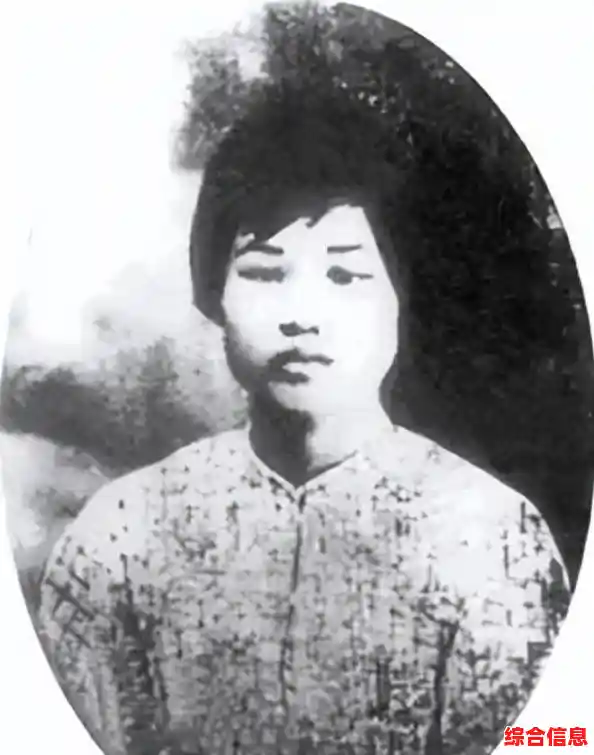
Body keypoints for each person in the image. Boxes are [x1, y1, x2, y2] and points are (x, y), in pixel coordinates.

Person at [37, 86, 569, 755]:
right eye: (265, 273)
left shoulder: (493, 539)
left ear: (403, 297)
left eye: (345, 277)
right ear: (214, 291)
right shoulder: (120, 538)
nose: (302, 315)